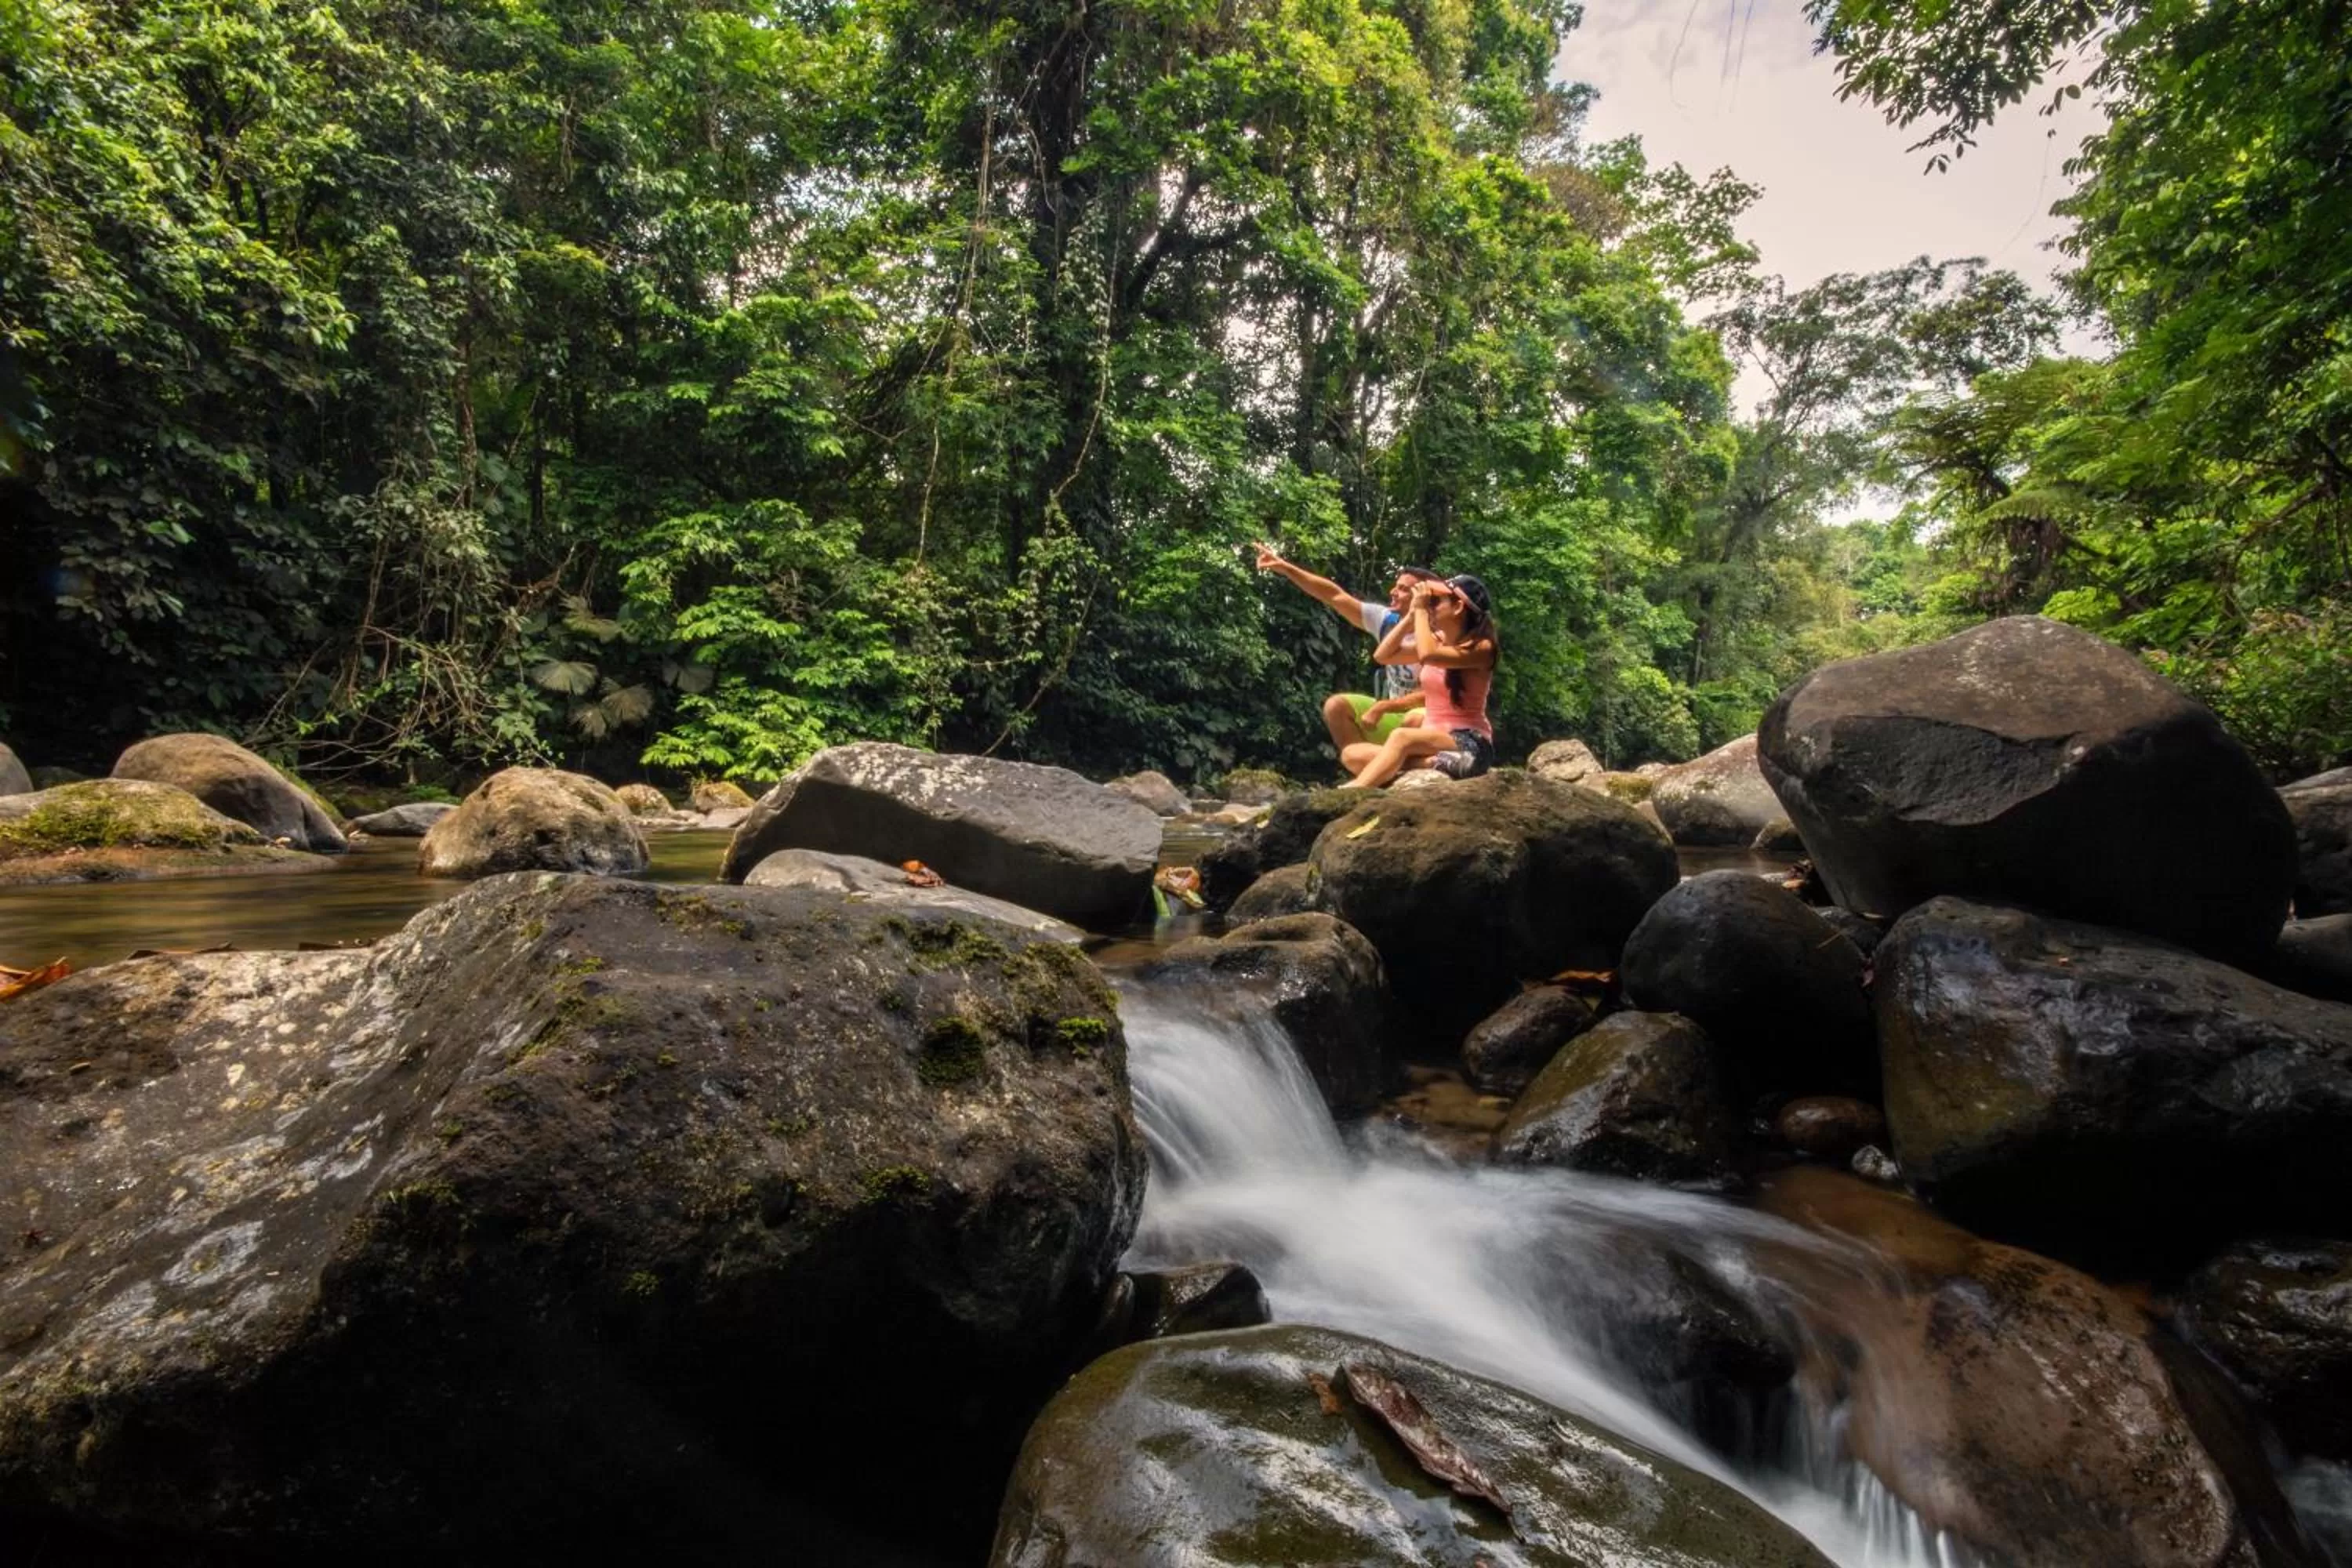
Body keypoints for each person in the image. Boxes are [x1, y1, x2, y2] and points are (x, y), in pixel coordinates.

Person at [1252, 544, 1441, 754]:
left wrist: (1385, 706)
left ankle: (1398, 765)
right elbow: (1334, 596)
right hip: (1395, 714)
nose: (1393, 592)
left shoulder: (1440, 634)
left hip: (1429, 717)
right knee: (1336, 707)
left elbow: (1433, 692)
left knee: (1415, 718)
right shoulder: (1386, 620)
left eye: (1404, 589)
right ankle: (1372, 766)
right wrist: (1285, 568)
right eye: (1396, 586)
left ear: (1423, 597)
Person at [1338, 573, 1497, 789]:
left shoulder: (1482, 648)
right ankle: (1423, 764)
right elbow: (1383, 656)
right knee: (1352, 754)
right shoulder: (1436, 641)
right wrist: (1410, 618)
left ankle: (1355, 790)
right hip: (1432, 742)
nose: (1430, 606)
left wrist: (1422, 612)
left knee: (1401, 737)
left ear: (1459, 607)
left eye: (1435, 601)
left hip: (1469, 745)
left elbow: (1428, 656)